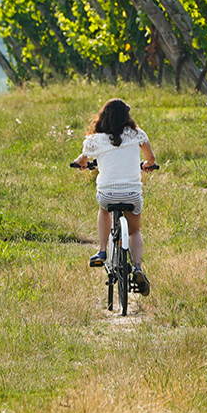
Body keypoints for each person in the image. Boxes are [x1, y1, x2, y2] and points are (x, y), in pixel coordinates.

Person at [72, 98, 159, 294]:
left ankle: (102, 250)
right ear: (127, 117)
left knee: (104, 210)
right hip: (131, 192)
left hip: (108, 192)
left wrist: (81, 164)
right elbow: (151, 158)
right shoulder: (138, 135)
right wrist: (147, 165)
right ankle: (137, 267)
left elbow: (81, 160)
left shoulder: (95, 140)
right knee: (135, 231)